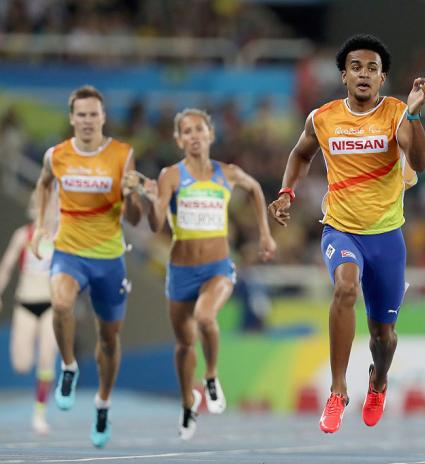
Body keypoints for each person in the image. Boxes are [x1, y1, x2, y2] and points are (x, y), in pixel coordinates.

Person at [268, 34, 425, 433]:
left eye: (372, 69)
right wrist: (287, 191)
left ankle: (377, 381)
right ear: (343, 76)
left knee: (385, 337)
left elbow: (421, 162)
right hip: (340, 229)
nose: (364, 74)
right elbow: (300, 153)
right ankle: (338, 390)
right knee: (345, 288)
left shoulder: (396, 113)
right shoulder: (321, 117)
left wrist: (413, 116)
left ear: (383, 78)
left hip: (387, 238)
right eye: (356, 67)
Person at [132, 108, 276, 440]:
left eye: (200, 129)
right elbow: (155, 226)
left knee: (205, 317)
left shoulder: (227, 173)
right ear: (179, 139)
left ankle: (211, 376)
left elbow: (255, 188)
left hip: (218, 268)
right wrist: (152, 198)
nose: (194, 135)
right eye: (187, 131)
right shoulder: (170, 176)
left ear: (210, 135)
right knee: (184, 344)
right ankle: (188, 402)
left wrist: (264, 234)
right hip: (181, 270)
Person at [31, 85, 143, 447]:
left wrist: (133, 194)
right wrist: (41, 227)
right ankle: (68, 366)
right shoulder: (57, 155)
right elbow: (44, 184)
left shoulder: (122, 155)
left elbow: (137, 218)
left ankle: (103, 403)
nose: (87, 120)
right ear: (72, 118)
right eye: (81, 114)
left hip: (109, 259)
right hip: (69, 252)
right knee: (61, 305)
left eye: (93, 114)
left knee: (109, 340)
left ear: (103, 117)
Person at [0, 196, 58, 434]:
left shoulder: (60, 237)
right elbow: (6, 266)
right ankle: (29, 355)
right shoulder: (22, 235)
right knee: (22, 364)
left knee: (47, 359)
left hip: (50, 305)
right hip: (25, 303)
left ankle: (39, 413)